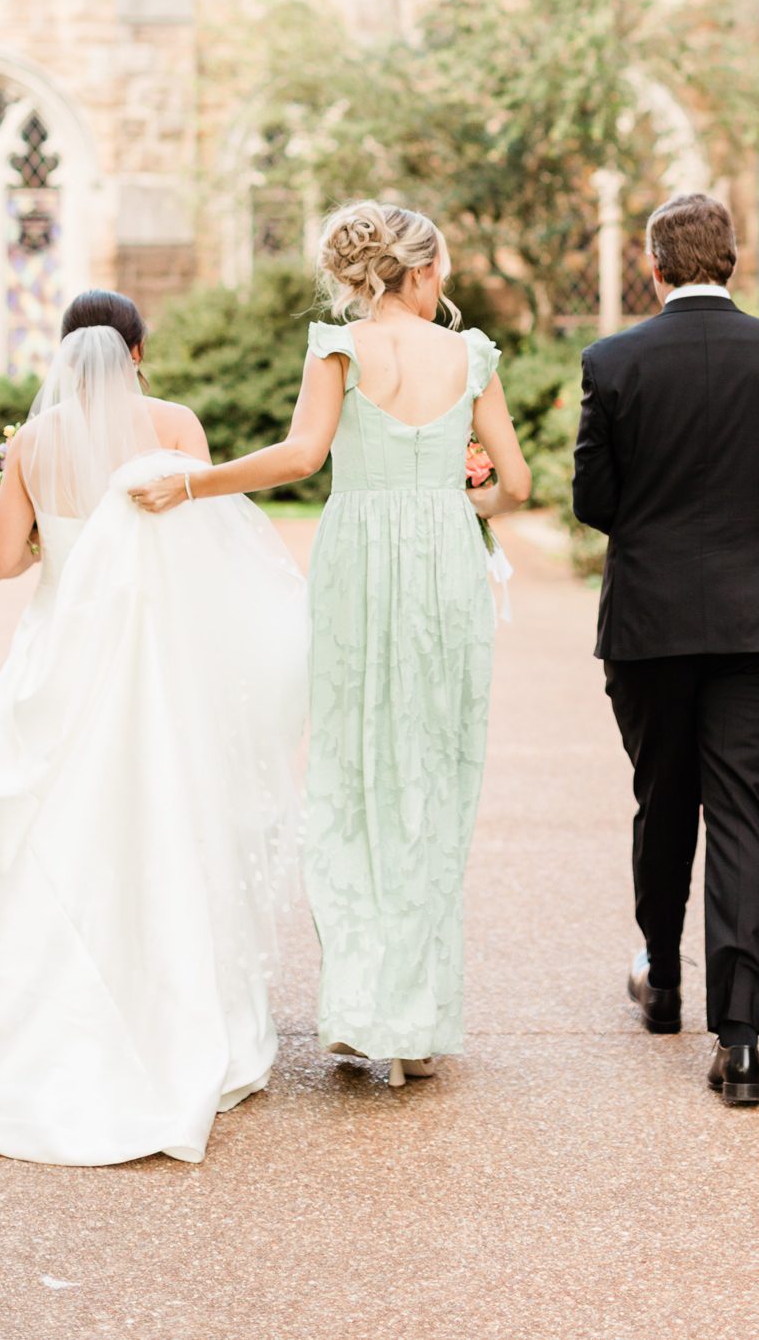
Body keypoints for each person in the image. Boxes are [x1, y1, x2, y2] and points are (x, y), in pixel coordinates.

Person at [132, 202, 531, 1087]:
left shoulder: (337, 347)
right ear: (421, 272)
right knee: (435, 771)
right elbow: (519, 481)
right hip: (444, 570)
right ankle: (417, 1025)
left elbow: (301, 457)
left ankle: (356, 1010)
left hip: (357, 561)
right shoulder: (471, 355)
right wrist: (465, 504)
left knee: (352, 769)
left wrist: (195, 483)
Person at [0, 292, 308, 1165]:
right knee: (167, 821)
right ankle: (179, 1010)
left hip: (64, 660)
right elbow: (211, 546)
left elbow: (0, 565)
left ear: (69, 356)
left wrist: (32, 530)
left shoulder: (34, 442)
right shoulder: (175, 424)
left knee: (59, 829)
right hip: (159, 664)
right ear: (137, 353)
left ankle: (53, 1016)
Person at [572, 192, 759, 1109]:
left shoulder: (612, 361)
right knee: (742, 815)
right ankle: (740, 1040)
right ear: (734, 259)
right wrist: (757, 528)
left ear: (653, 266)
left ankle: (662, 977)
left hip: (648, 624)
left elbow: (594, 502)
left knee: (663, 799)